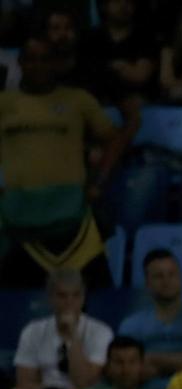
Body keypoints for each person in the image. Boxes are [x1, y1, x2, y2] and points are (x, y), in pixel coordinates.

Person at [0, 37, 120, 290]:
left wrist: (99, 180)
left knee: (96, 296)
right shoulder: (4, 103)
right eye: (31, 59)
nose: (38, 66)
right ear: (20, 63)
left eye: (45, 59)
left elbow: (113, 139)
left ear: (55, 63)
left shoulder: (78, 100)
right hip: (18, 220)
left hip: (72, 219)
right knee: (13, 305)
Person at [5, 270, 113, 389]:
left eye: (76, 295)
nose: (69, 302)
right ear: (50, 298)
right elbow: (24, 382)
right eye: (62, 296)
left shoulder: (101, 332)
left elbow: (84, 382)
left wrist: (73, 335)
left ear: (83, 297)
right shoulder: (33, 330)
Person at [120, 251, 182, 378]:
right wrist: (179, 361)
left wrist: (151, 359)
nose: (166, 281)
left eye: (172, 274)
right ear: (147, 283)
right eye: (158, 276)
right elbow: (127, 370)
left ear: (180, 277)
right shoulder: (131, 325)